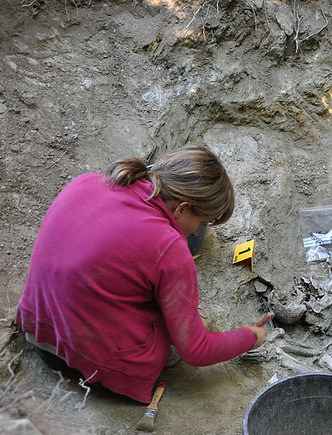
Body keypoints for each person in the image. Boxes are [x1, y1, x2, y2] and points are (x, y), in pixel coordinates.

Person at [15, 144, 268, 404]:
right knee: (179, 328)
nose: (197, 232)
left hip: (38, 330)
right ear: (182, 207)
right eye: (202, 222)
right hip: (86, 365)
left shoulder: (88, 181)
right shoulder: (169, 248)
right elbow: (195, 350)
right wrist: (249, 337)